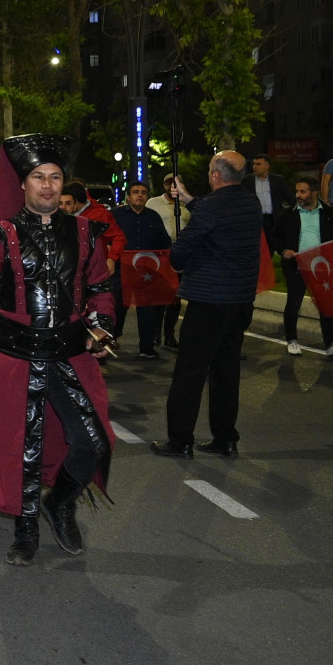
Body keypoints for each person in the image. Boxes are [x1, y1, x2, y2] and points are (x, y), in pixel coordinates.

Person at [0, 133, 116, 566]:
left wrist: (101, 328)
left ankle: (60, 502)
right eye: (38, 177)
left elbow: (101, 288)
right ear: (24, 183)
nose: (47, 185)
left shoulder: (87, 232)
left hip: (71, 356)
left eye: (54, 177)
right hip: (17, 356)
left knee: (95, 441)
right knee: (22, 448)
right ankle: (26, 529)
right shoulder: (1, 234)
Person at [151, 151, 262, 459]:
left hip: (209, 301)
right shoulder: (251, 203)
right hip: (240, 300)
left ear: (215, 175)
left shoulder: (211, 208)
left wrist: (180, 251)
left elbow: (178, 254)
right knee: (227, 368)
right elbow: (217, 212)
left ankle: (180, 440)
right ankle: (226, 438)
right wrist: (188, 198)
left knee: (190, 370)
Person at [274, 177, 333, 359]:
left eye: (302, 191)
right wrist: (283, 251)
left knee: (326, 305)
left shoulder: (328, 212)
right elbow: (275, 236)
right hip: (296, 266)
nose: (297, 195)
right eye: (297, 191)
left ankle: (331, 344)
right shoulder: (288, 214)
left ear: (314, 193)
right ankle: (292, 340)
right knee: (294, 303)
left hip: (321, 267)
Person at [112, 181, 173, 359]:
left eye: (143, 192)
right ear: (128, 197)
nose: (140, 195)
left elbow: (164, 242)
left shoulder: (153, 217)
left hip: (146, 272)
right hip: (121, 269)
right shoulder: (115, 216)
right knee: (117, 307)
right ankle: (111, 339)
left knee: (147, 309)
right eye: (136, 192)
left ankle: (147, 347)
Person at [147, 174, 191, 348]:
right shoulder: (153, 203)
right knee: (159, 298)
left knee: (175, 299)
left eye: (176, 183)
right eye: (168, 182)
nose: (172, 186)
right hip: (160, 257)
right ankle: (155, 333)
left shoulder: (186, 205)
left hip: (180, 258)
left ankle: (169, 334)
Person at [242, 154, 292, 249]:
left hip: (274, 219)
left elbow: (290, 198)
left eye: (258, 164)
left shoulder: (278, 180)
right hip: (257, 220)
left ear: (267, 165)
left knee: (275, 245)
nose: (254, 167)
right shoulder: (247, 180)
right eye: (254, 164)